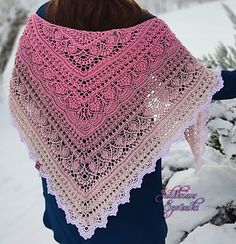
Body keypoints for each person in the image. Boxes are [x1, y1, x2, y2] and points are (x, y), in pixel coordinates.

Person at [9, 1, 236, 244]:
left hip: (67, 174)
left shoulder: (45, 18)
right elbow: (197, 83)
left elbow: (26, 92)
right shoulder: (142, 27)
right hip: (128, 183)